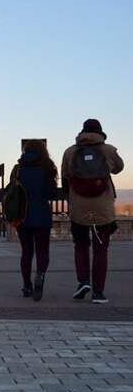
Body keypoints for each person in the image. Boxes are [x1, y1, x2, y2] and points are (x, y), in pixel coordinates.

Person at [62, 119, 124, 304]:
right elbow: (119, 168)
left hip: (79, 209)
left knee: (80, 246)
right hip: (102, 210)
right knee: (100, 250)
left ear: (82, 131)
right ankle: (98, 293)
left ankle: (82, 282)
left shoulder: (70, 152)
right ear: (100, 132)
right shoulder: (108, 150)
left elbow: (65, 175)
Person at [12, 140, 58, 301]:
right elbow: (52, 193)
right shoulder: (47, 168)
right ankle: (40, 276)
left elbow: (11, 191)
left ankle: (26, 286)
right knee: (42, 251)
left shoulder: (18, 169)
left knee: (26, 252)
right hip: (42, 215)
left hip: (22, 215)